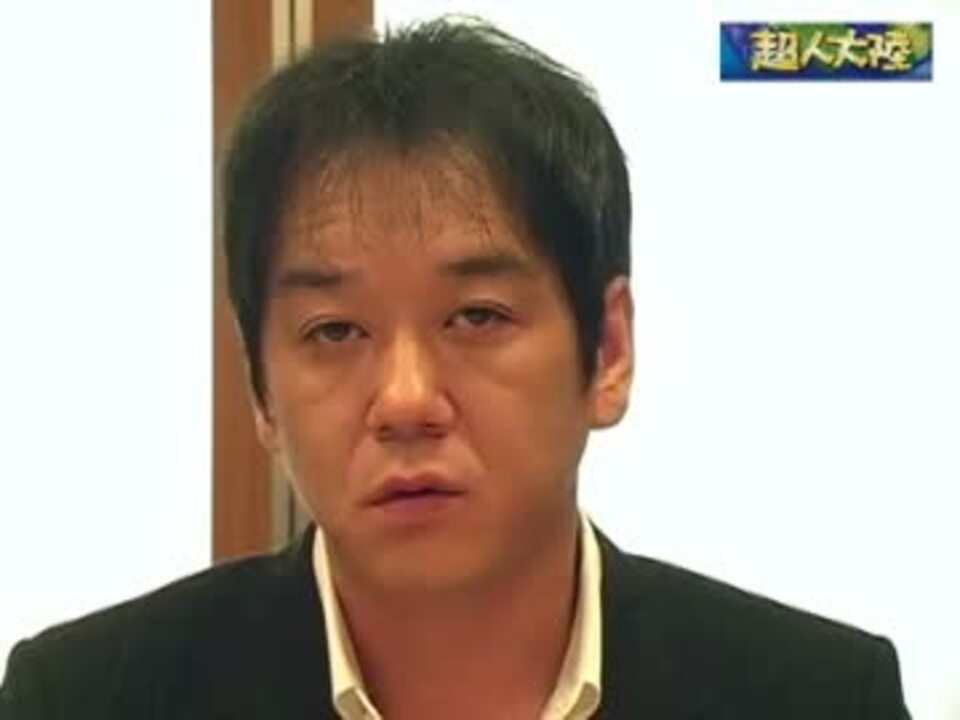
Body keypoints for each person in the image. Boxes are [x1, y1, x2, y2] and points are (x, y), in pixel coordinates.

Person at [1, 17, 910, 720]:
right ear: (260, 392)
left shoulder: (818, 695)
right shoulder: (84, 697)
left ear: (608, 350)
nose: (405, 401)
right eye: (334, 331)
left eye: (477, 317)